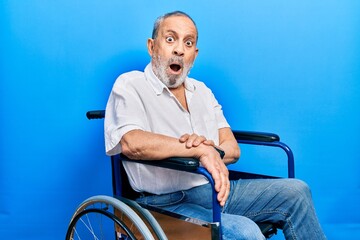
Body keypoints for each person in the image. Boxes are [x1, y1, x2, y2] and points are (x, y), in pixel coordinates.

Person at [104, 11, 326, 240]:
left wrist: (211, 149)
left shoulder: (202, 91)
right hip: (161, 201)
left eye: (188, 43)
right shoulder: (130, 85)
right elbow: (132, 143)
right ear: (152, 46)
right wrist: (199, 150)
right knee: (246, 232)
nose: (179, 49)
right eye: (170, 39)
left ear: (194, 55)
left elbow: (232, 149)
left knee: (297, 191)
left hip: (212, 188)